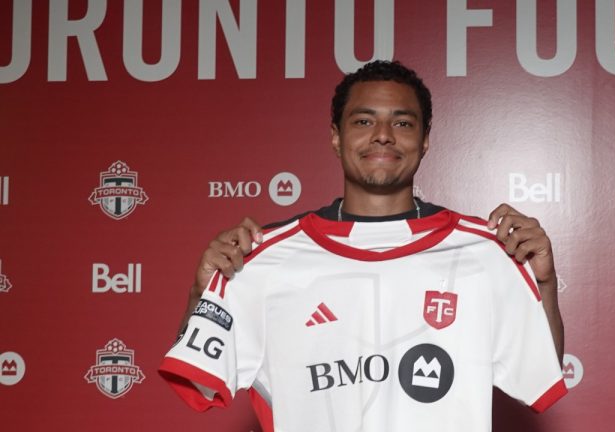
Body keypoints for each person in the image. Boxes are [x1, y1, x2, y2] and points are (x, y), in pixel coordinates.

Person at [160, 60, 566, 431]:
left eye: (403, 124)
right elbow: (199, 376)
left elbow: (539, 374)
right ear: (336, 137)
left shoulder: (485, 253)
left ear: (425, 141)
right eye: (364, 121)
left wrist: (543, 284)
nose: (384, 136)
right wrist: (202, 294)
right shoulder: (262, 259)